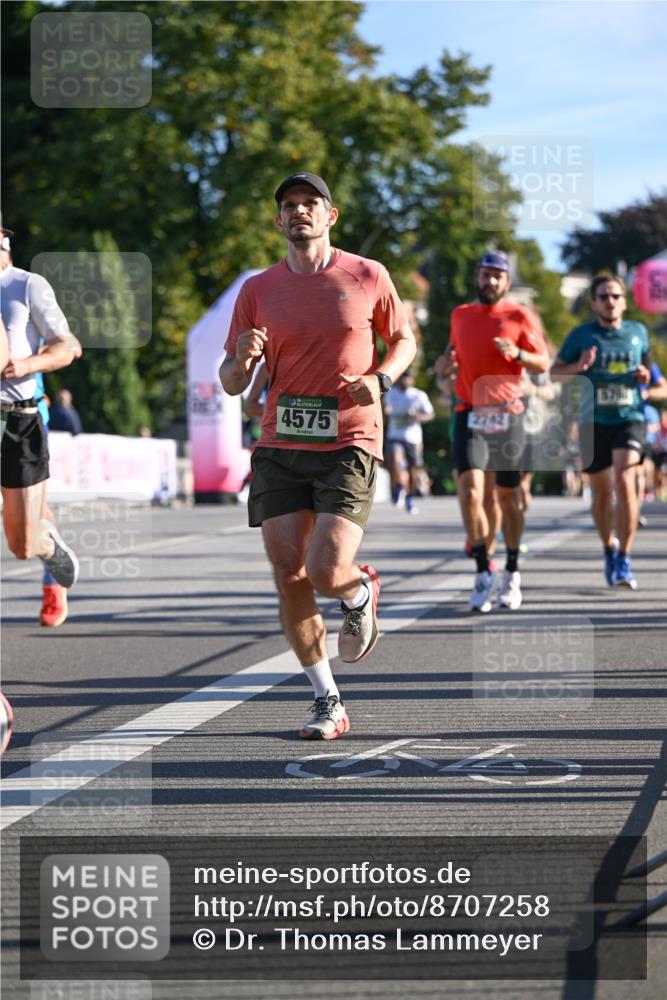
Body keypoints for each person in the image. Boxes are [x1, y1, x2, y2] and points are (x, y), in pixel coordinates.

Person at [219, 172, 416, 740]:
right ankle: (327, 699)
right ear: (278, 220)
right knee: (289, 573)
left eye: (310, 203)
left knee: (328, 570)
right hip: (280, 442)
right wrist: (239, 358)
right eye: (289, 205)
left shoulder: (367, 274)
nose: (299, 211)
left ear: (330, 216)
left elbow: (403, 340)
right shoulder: (257, 289)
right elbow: (233, 383)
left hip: (349, 438)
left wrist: (380, 379)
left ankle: (358, 591)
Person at [435, 250, 550, 613]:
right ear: (478, 277)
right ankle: (484, 571)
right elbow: (449, 357)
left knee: (508, 498)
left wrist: (517, 353)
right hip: (468, 412)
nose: (491, 280)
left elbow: (543, 361)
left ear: (506, 281)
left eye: (498, 275)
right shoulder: (461, 314)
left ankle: (512, 571)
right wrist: (443, 365)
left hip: (507, 413)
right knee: (469, 492)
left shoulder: (520, 315)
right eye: (486, 274)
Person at [551, 273, 652, 589]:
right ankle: (608, 546)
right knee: (601, 494)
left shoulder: (638, 333)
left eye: (616, 296)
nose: (610, 301)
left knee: (624, 479)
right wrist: (578, 367)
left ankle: (624, 555)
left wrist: (646, 376)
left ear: (624, 301)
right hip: (592, 422)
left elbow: (654, 378)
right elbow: (555, 374)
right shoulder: (581, 335)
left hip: (629, 416)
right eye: (604, 296)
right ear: (594, 302)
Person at [1, 225, 80, 601]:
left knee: (22, 542)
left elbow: (68, 347)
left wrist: (27, 364)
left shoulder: (26, 285)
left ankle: (50, 555)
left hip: (20, 419)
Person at [383, 368, 434, 513]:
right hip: (395, 436)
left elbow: (430, 414)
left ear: (412, 380)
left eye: (408, 378)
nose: (405, 380)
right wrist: (385, 415)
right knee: (394, 460)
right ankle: (398, 486)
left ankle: (409, 498)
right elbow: (386, 413)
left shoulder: (418, 395)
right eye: (403, 377)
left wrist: (420, 417)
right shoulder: (390, 393)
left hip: (413, 438)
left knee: (413, 469)